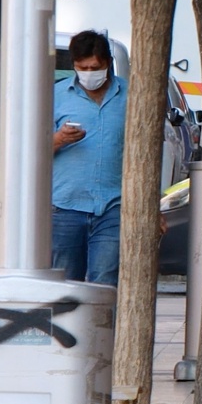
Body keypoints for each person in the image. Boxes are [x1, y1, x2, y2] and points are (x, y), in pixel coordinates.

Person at [50, 29, 127, 285]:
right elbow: (32, 151)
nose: (89, 73)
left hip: (113, 207)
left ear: (107, 64)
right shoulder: (57, 95)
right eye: (82, 67)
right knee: (64, 286)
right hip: (66, 206)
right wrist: (60, 138)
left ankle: (103, 327)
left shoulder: (130, 95)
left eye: (95, 67)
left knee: (104, 283)